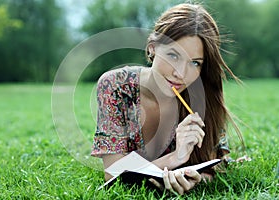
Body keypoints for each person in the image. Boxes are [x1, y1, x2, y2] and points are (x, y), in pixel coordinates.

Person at [91, 3, 243, 195]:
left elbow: (211, 167)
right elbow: (113, 172)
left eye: (195, 63)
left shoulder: (201, 97)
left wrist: (195, 180)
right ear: (152, 48)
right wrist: (173, 159)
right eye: (173, 55)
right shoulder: (115, 87)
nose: (180, 73)